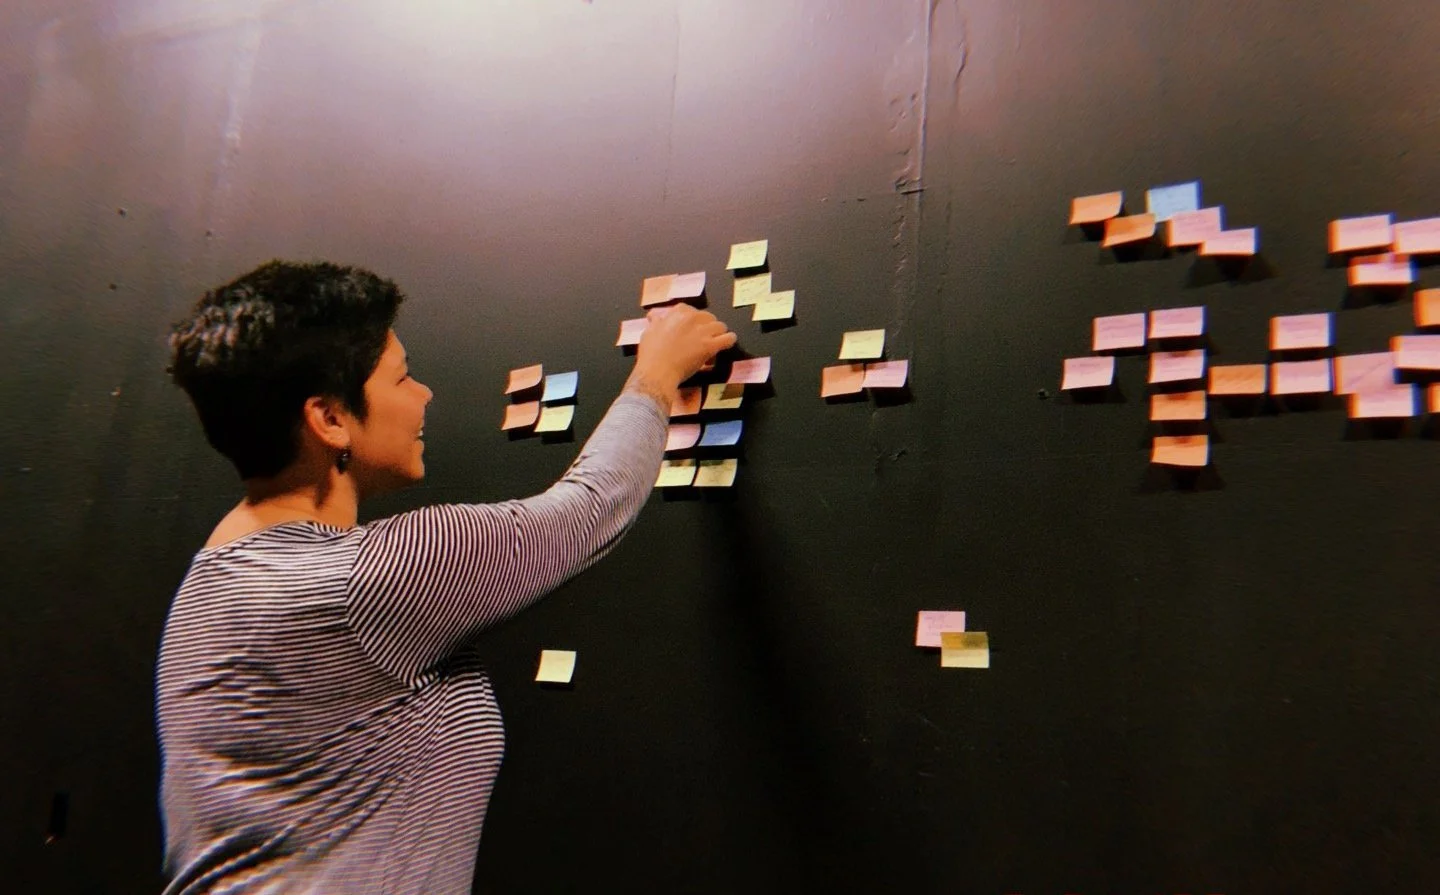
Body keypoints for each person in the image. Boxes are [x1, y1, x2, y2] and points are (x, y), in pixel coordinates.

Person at [156, 260, 735, 894]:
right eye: (401, 378)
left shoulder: (207, 585)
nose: (423, 394)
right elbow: (593, 506)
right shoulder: (368, 577)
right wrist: (657, 371)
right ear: (329, 418)